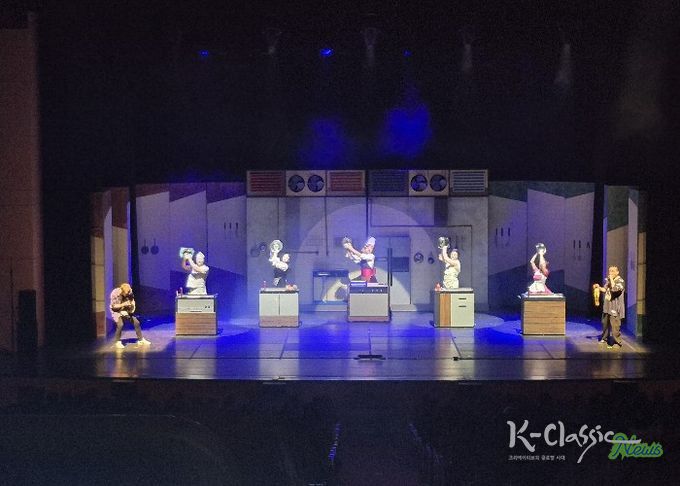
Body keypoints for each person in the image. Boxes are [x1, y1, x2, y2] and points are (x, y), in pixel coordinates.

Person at [109, 283, 150, 349]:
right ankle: (117, 342)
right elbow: (114, 306)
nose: (127, 294)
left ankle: (141, 340)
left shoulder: (130, 292)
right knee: (120, 324)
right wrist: (123, 305)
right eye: (125, 293)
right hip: (116, 311)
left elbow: (132, 302)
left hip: (125, 310)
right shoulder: (115, 293)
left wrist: (131, 310)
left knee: (136, 322)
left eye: (128, 293)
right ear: (122, 291)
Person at [593, 266, 625, 349]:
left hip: (615, 307)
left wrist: (611, 279)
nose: (611, 273)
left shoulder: (620, 281)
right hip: (607, 306)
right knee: (605, 323)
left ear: (617, 272)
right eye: (610, 271)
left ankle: (617, 342)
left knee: (615, 325)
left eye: (613, 271)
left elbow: (614, 289)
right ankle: (605, 338)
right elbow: (605, 289)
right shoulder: (609, 281)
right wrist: (598, 287)